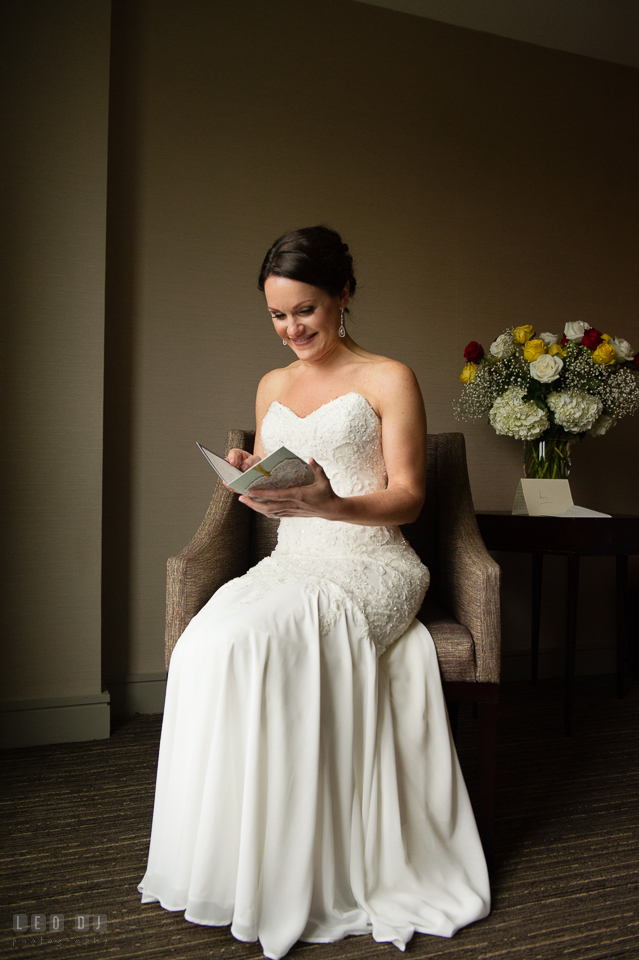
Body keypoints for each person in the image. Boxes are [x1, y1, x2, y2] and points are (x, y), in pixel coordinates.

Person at [138, 226, 490, 959]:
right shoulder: (272, 385)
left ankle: (307, 872)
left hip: (373, 560)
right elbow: (282, 487)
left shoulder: (390, 377)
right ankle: (234, 863)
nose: (292, 328)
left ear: (343, 295)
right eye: (277, 316)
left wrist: (331, 504)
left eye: (306, 310)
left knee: (254, 642)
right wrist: (252, 481)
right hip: (292, 560)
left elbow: (410, 500)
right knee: (208, 642)